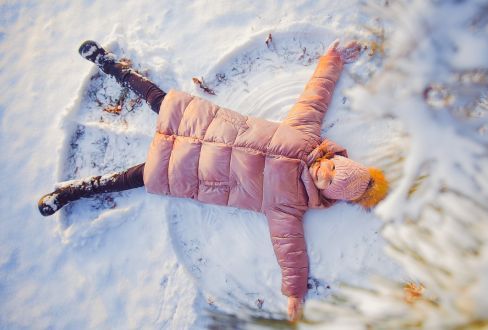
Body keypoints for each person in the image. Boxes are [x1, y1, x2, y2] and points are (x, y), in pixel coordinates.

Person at [38, 39, 389, 322]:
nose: (322, 173)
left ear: (330, 195)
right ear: (334, 158)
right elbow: (314, 99)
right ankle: (110, 64)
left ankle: (71, 191)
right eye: (331, 167)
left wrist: (294, 292)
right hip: (206, 125)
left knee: (135, 177)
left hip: (193, 169)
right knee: (157, 98)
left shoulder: (290, 204)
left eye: (328, 181)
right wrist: (332, 60)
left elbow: (290, 248)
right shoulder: (306, 138)